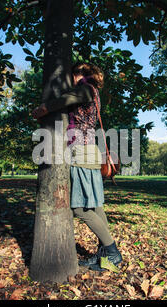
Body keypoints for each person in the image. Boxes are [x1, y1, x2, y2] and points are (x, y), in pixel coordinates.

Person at [31, 62, 122, 272]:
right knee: (96, 205)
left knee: (81, 208)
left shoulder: (86, 88)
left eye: (72, 75)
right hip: (88, 148)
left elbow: (66, 100)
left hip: (81, 149)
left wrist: (43, 109)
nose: (70, 79)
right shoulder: (94, 90)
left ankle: (112, 252)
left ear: (79, 74)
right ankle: (104, 251)